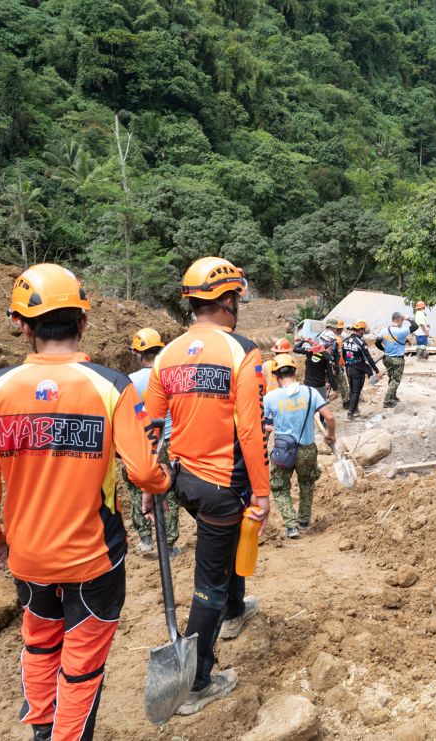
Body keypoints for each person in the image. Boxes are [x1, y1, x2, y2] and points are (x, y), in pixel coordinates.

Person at [0, 264, 171, 741]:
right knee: (82, 662)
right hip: (92, 558)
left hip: (28, 556)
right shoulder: (109, 385)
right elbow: (141, 471)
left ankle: (42, 729)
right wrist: (159, 482)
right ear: (83, 322)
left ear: (21, 323)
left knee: (39, 644)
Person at [144, 256, 271, 715]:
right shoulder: (241, 350)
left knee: (225, 545)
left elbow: (153, 429)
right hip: (224, 486)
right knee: (208, 584)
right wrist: (262, 491)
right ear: (227, 299)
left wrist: (148, 484)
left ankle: (236, 609)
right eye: (236, 296)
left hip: (181, 481)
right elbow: (251, 431)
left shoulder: (167, 354)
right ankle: (196, 682)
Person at [263, 355, 337, 539]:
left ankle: (290, 525)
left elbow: (264, 427)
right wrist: (330, 435)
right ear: (295, 372)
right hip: (307, 449)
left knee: (280, 487)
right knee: (306, 483)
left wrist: (263, 444)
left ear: (275, 375)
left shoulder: (270, 397)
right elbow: (330, 418)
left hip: (282, 450)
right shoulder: (311, 392)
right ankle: (304, 521)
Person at [127, 328, 181, 556]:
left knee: (138, 487)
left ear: (139, 355)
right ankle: (168, 543)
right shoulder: (170, 376)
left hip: (142, 443)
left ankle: (146, 538)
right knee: (169, 489)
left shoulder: (130, 382)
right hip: (169, 440)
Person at [342, 320, 381, 419]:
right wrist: (376, 370)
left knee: (352, 390)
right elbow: (368, 358)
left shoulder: (345, 340)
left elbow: (343, 355)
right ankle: (350, 414)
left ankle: (354, 409)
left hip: (348, 368)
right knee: (356, 392)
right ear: (361, 330)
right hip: (358, 370)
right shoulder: (360, 342)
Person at [379, 312, 413, 407]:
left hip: (387, 358)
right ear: (398, 320)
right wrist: (408, 318)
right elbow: (415, 326)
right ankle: (387, 401)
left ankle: (393, 396)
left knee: (391, 378)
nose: (402, 322)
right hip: (398, 359)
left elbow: (377, 343)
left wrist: (385, 349)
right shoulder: (402, 331)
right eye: (402, 320)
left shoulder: (384, 330)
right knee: (396, 380)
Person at [293, 336, 340, 400]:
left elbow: (295, 349)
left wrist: (304, 340)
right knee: (321, 406)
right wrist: (335, 389)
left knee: (309, 407)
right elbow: (330, 374)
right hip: (319, 386)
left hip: (308, 385)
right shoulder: (326, 356)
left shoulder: (310, 351)